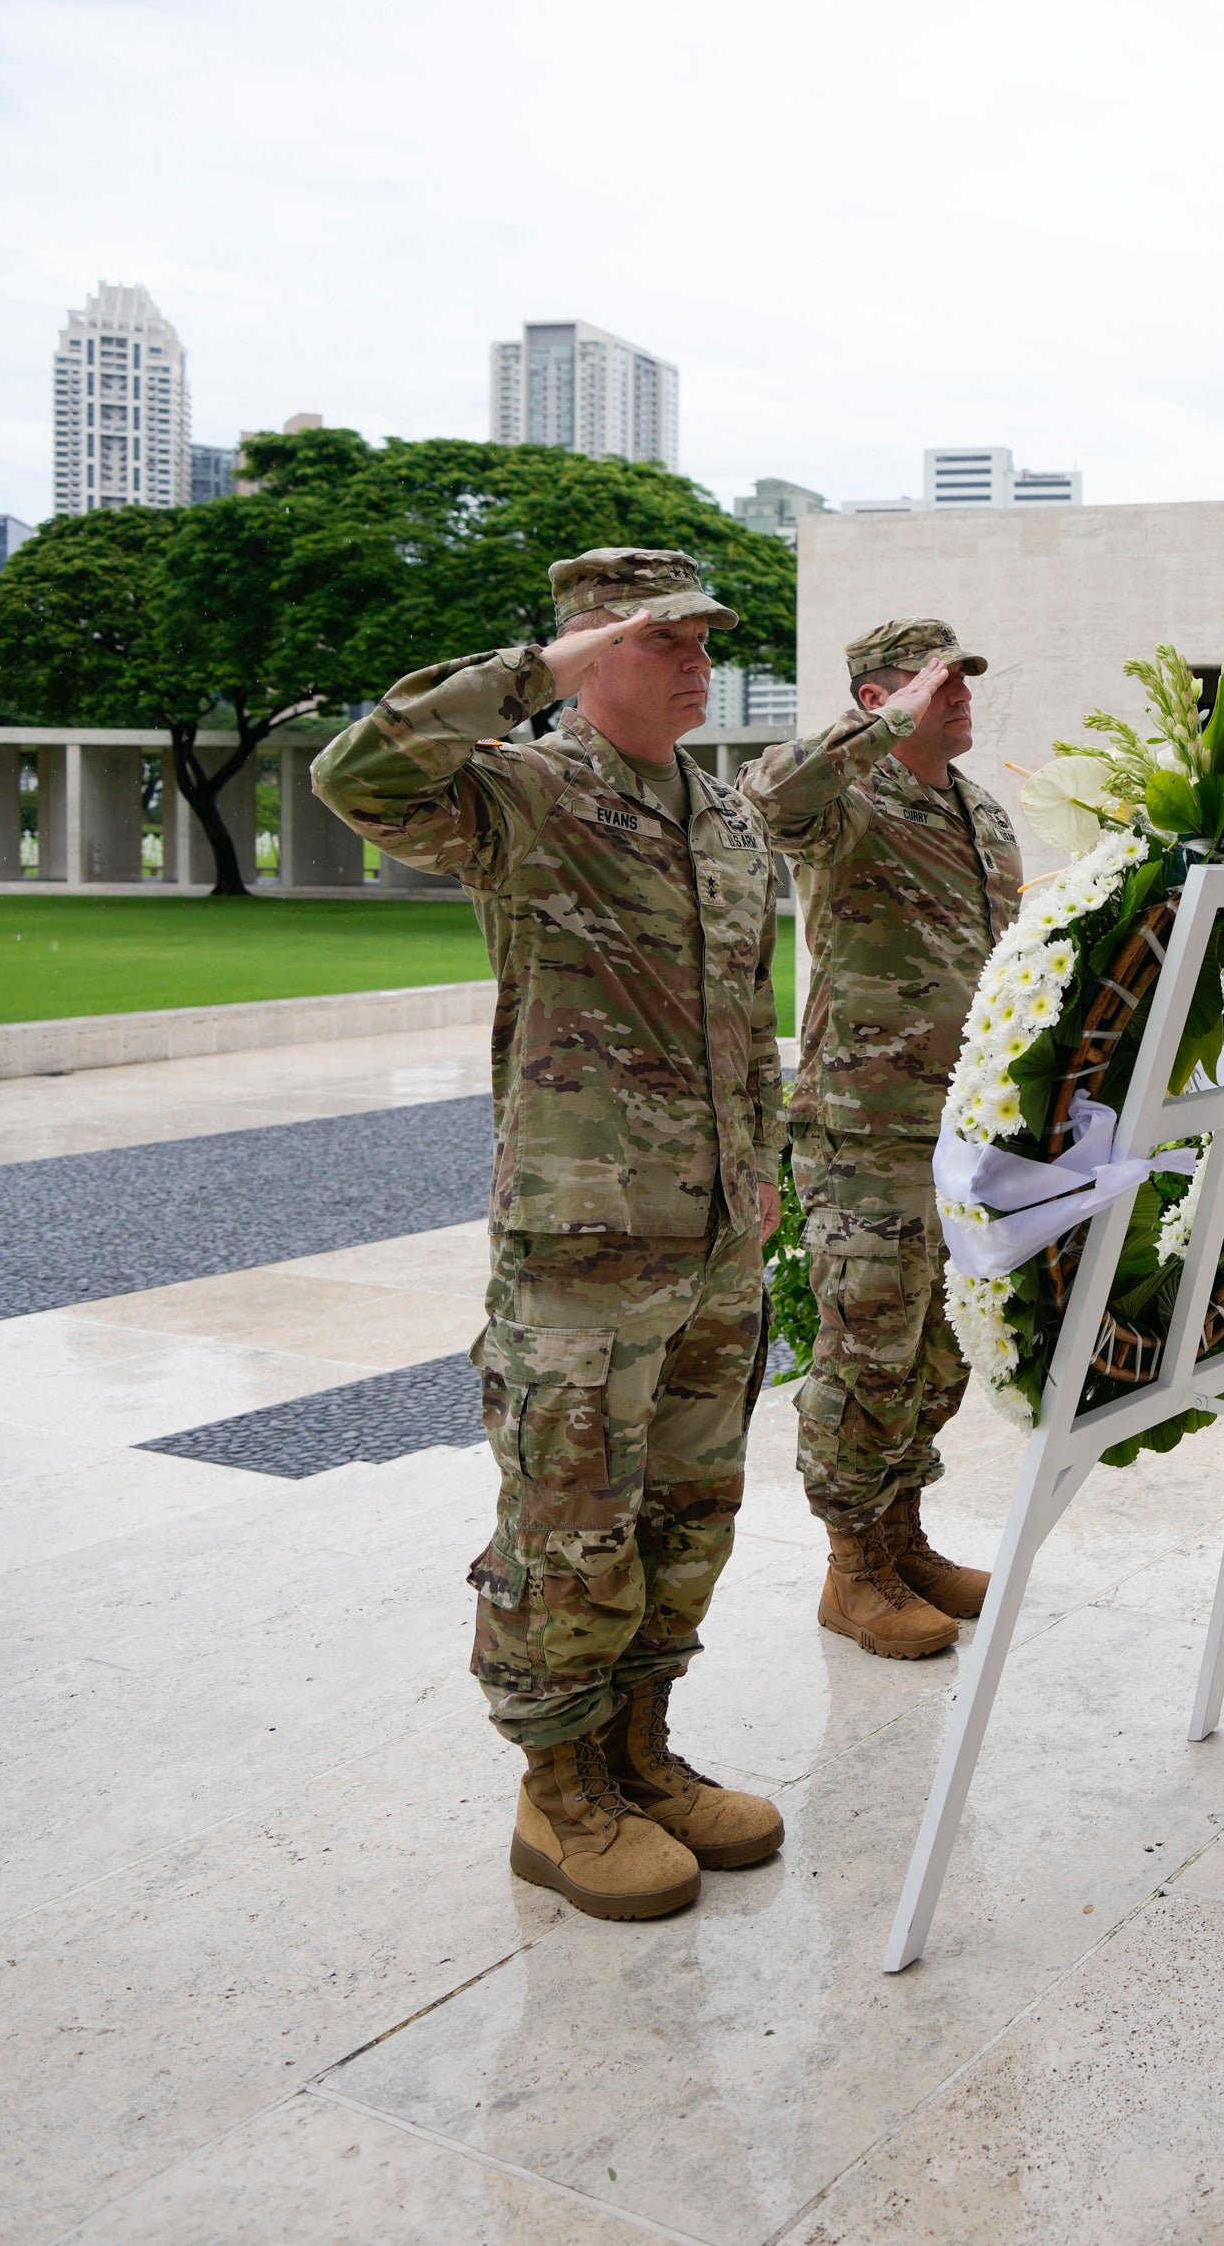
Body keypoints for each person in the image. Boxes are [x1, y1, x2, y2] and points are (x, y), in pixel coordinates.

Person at [310, 547, 789, 1924]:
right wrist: (533, 676)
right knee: (569, 1520)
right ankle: (558, 1790)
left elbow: (750, 1016)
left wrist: (761, 1171)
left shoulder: (729, 819)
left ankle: (641, 1751)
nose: (701, 661)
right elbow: (360, 776)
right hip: (582, 1242)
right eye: (668, 639)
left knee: (690, 1513)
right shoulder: (525, 794)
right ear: (592, 651)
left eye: (708, 639)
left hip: (711, 1244)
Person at [743, 618, 1022, 1658]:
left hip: (965, 1125)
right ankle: (849, 1567)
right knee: (866, 1344)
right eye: (937, 682)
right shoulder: (844, 800)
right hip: (866, 1125)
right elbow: (767, 796)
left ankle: (901, 1535)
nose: (961, 695)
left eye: (964, 677)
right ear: (876, 700)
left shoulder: (982, 808)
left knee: (943, 1345)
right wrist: (876, 730)